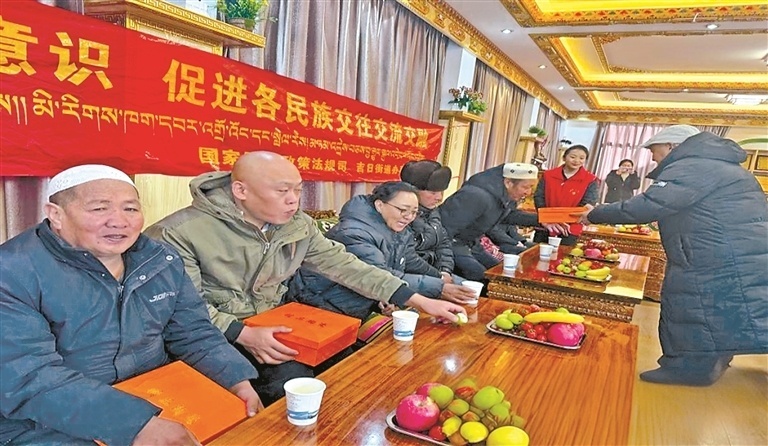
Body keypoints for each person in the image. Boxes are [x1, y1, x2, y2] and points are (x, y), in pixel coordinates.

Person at [145, 151, 465, 406]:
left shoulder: (296, 225)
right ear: (241, 190)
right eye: (282, 191)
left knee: (350, 368)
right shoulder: (178, 234)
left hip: (277, 322)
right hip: (216, 336)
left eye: (298, 190)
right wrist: (242, 333)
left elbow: (345, 265)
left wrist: (417, 299)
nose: (293, 200)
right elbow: (183, 309)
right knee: (294, 385)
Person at [0, 165, 261, 446]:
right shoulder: (12, 271)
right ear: (56, 215)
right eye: (99, 209)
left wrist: (235, 381)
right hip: (46, 420)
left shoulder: (160, 260)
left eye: (130, 209)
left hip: (155, 395)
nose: (119, 221)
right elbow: (28, 376)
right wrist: (133, 425)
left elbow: (193, 332)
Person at [576, 125, 768, 386]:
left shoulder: (692, 166)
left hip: (708, 255)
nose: (653, 158)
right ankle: (715, 361)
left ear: (673, 146)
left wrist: (596, 213)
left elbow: (650, 205)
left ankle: (688, 369)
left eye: (654, 151)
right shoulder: (721, 165)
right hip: (732, 251)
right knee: (723, 307)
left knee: (690, 305)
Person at [289, 182, 477, 320]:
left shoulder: (397, 228)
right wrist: (438, 287)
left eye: (414, 212)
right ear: (379, 205)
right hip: (322, 304)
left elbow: (409, 261)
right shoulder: (354, 232)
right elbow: (374, 274)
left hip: (361, 302)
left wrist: (440, 276)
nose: (409, 217)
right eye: (403, 210)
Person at [440, 163, 539, 282]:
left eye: (531, 188)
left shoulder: (507, 196)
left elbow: (508, 216)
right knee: (482, 276)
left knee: (497, 272)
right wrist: (444, 263)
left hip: (472, 243)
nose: (528, 192)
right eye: (526, 187)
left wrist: (542, 220)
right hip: (451, 244)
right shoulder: (476, 195)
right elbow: (445, 229)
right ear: (508, 183)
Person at [399, 160, 458, 282]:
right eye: (433, 193)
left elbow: (443, 243)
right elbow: (408, 257)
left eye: (441, 192)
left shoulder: (432, 211)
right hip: (410, 276)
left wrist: (445, 270)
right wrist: (438, 277)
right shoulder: (400, 214)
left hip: (435, 273)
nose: (439, 198)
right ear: (413, 190)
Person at [533, 144, 599, 246]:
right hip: (546, 223)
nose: (576, 161)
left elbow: (588, 202)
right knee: (537, 252)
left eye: (581, 158)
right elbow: (539, 197)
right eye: (573, 157)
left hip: (570, 227)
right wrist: (548, 218)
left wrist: (562, 219)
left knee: (563, 254)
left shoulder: (590, 179)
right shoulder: (548, 175)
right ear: (564, 158)